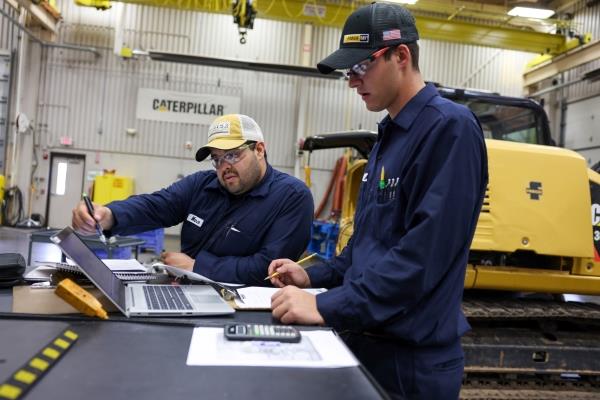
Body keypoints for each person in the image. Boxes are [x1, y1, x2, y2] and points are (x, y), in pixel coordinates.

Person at [267, 3, 488, 399]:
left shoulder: (449, 129)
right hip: (366, 342)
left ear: (400, 55)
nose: (352, 81)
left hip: (410, 364)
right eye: (347, 72)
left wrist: (326, 307)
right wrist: (312, 277)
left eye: (360, 67)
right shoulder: (389, 137)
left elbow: (422, 257)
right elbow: (367, 243)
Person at [72, 114, 314, 286]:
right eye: (217, 159)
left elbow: (270, 268)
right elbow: (157, 205)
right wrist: (109, 215)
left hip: (244, 310)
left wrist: (198, 268)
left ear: (259, 150)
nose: (224, 166)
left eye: (232, 155)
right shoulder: (202, 184)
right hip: (186, 291)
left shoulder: (292, 197)